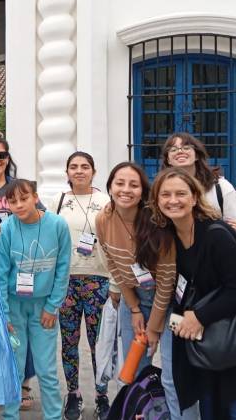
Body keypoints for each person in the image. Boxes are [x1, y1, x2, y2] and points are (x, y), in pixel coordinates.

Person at [151, 167, 236, 420]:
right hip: (203, 337)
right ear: (156, 201)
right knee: (209, 400)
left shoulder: (216, 235)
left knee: (235, 400)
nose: (173, 200)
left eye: (180, 193)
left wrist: (198, 316)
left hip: (230, 331)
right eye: (165, 195)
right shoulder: (169, 237)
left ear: (194, 197)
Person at [95, 162, 193, 419]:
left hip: (173, 307)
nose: (125, 190)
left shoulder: (157, 223)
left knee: (174, 377)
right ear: (110, 187)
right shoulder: (104, 219)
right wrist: (135, 308)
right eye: (119, 183)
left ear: (143, 191)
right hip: (134, 300)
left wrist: (154, 327)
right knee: (134, 372)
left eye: (134, 185)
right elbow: (115, 268)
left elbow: (167, 282)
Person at [0, 179, 71, 420]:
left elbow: (62, 268)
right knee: (14, 367)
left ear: (35, 197)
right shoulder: (7, 228)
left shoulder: (57, 225)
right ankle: (10, 415)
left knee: (46, 369)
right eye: (12, 201)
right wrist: (4, 314)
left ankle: (53, 416)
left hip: (44, 308)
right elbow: (0, 273)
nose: (19, 205)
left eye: (24, 198)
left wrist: (53, 305)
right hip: (14, 307)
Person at [49, 152, 111, 420]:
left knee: (100, 342)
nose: (79, 171)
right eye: (73, 167)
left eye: (85, 167)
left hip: (99, 280)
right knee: (70, 342)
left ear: (94, 172)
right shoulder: (58, 201)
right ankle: (73, 393)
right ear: (67, 172)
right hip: (67, 281)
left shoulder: (105, 201)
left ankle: (102, 394)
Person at [0, 134, 37, 410]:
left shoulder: (18, 188)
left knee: (21, 326)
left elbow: (39, 217)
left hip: (19, 271)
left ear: (7, 158)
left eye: (0, 155)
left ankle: (24, 383)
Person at [161, 132, 236, 245]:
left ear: (197, 155)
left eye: (186, 147)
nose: (180, 151)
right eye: (173, 149)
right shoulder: (160, 190)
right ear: (168, 160)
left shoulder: (221, 187)